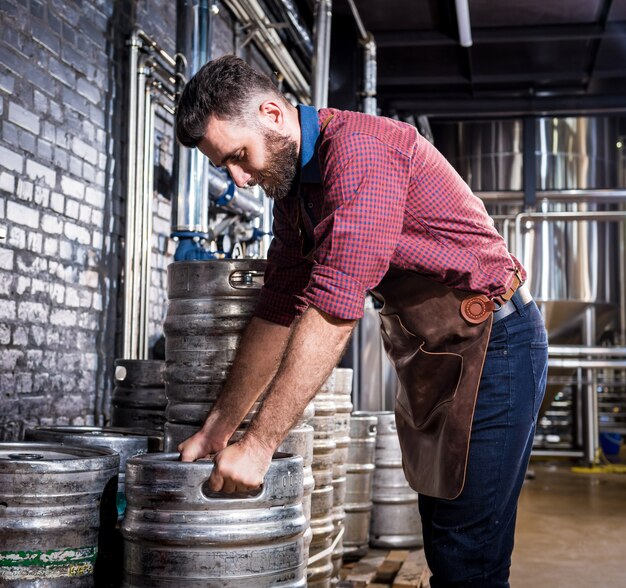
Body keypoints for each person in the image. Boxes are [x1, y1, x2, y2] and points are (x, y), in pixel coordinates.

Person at [175, 54, 548, 587]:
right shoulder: (295, 192)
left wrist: (259, 446)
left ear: (273, 115)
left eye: (239, 155)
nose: (240, 178)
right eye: (224, 167)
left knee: (468, 556)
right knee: (445, 538)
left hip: (494, 345)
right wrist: (220, 428)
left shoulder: (362, 152)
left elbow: (334, 304)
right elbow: (279, 307)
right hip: (436, 354)